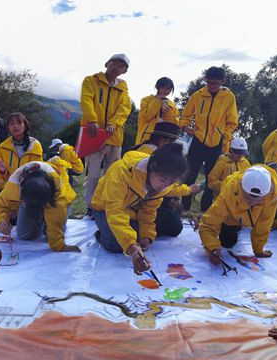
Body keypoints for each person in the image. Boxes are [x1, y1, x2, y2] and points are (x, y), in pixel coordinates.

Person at [91, 144, 189, 272]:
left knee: (173, 226)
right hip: (104, 209)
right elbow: (115, 211)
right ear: (153, 166)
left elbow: (148, 211)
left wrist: (146, 236)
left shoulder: (162, 184)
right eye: (163, 180)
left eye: (172, 183)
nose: (165, 187)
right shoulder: (121, 171)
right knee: (118, 245)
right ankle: (103, 234)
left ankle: (128, 231)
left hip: (130, 210)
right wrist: (132, 247)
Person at [180, 66, 239, 210]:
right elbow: (186, 114)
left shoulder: (229, 97)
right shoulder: (198, 95)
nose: (212, 86)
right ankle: (184, 206)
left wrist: (224, 136)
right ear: (205, 80)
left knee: (211, 178)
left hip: (217, 143)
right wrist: (184, 126)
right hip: (198, 141)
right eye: (209, 82)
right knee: (189, 174)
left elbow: (232, 121)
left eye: (216, 83)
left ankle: (206, 209)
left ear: (222, 81)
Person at [199, 165, 277, 266]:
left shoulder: (272, 196)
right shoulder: (229, 191)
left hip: (248, 218)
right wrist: (212, 249)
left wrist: (258, 250)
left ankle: (241, 224)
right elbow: (208, 224)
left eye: (258, 200)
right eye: (248, 198)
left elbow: (264, 224)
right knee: (227, 242)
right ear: (240, 187)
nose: (252, 203)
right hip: (232, 216)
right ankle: (230, 224)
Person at [80, 54, 132, 207]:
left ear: (124, 71)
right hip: (94, 134)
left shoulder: (123, 88)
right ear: (107, 63)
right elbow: (86, 100)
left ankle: (105, 206)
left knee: (111, 175)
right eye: (114, 63)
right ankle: (90, 207)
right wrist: (92, 120)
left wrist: (114, 124)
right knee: (93, 174)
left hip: (115, 136)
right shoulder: (91, 80)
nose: (116, 67)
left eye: (121, 66)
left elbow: (125, 109)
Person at [130, 122, 200, 237]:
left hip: (146, 200)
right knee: (173, 225)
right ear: (163, 140)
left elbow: (165, 185)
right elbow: (162, 186)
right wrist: (188, 190)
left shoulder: (146, 148)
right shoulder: (152, 154)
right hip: (138, 202)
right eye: (173, 142)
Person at [0, 160, 78, 252]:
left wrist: (58, 244)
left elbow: (56, 213)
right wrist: (1, 220)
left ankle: (45, 223)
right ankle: (40, 222)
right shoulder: (13, 186)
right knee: (24, 235)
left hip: (57, 200)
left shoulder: (56, 184)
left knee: (50, 234)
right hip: (31, 200)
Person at [0, 113, 43, 189]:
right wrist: (3, 171)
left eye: (19, 123)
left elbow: (39, 171)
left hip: (29, 187)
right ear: (8, 127)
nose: (15, 126)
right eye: (11, 124)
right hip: (9, 188)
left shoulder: (35, 145)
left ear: (25, 126)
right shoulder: (3, 147)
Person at [203, 136, 251, 209]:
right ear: (231, 150)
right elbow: (211, 183)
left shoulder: (246, 164)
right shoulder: (222, 163)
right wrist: (227, 185)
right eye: (238, 153)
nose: (240, 155)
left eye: (242, 153)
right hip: (222, 200)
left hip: (239, 201)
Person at [136, 77, 179, 145]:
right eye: (163, 87)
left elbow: (174, 124)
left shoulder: (171, 105)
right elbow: (146, 117)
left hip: (163, 139)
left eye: (169, 89)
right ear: (157, 87)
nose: (166, 90)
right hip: (146, 137)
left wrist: (167, 112)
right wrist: (157, 101)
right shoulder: (146, 100)